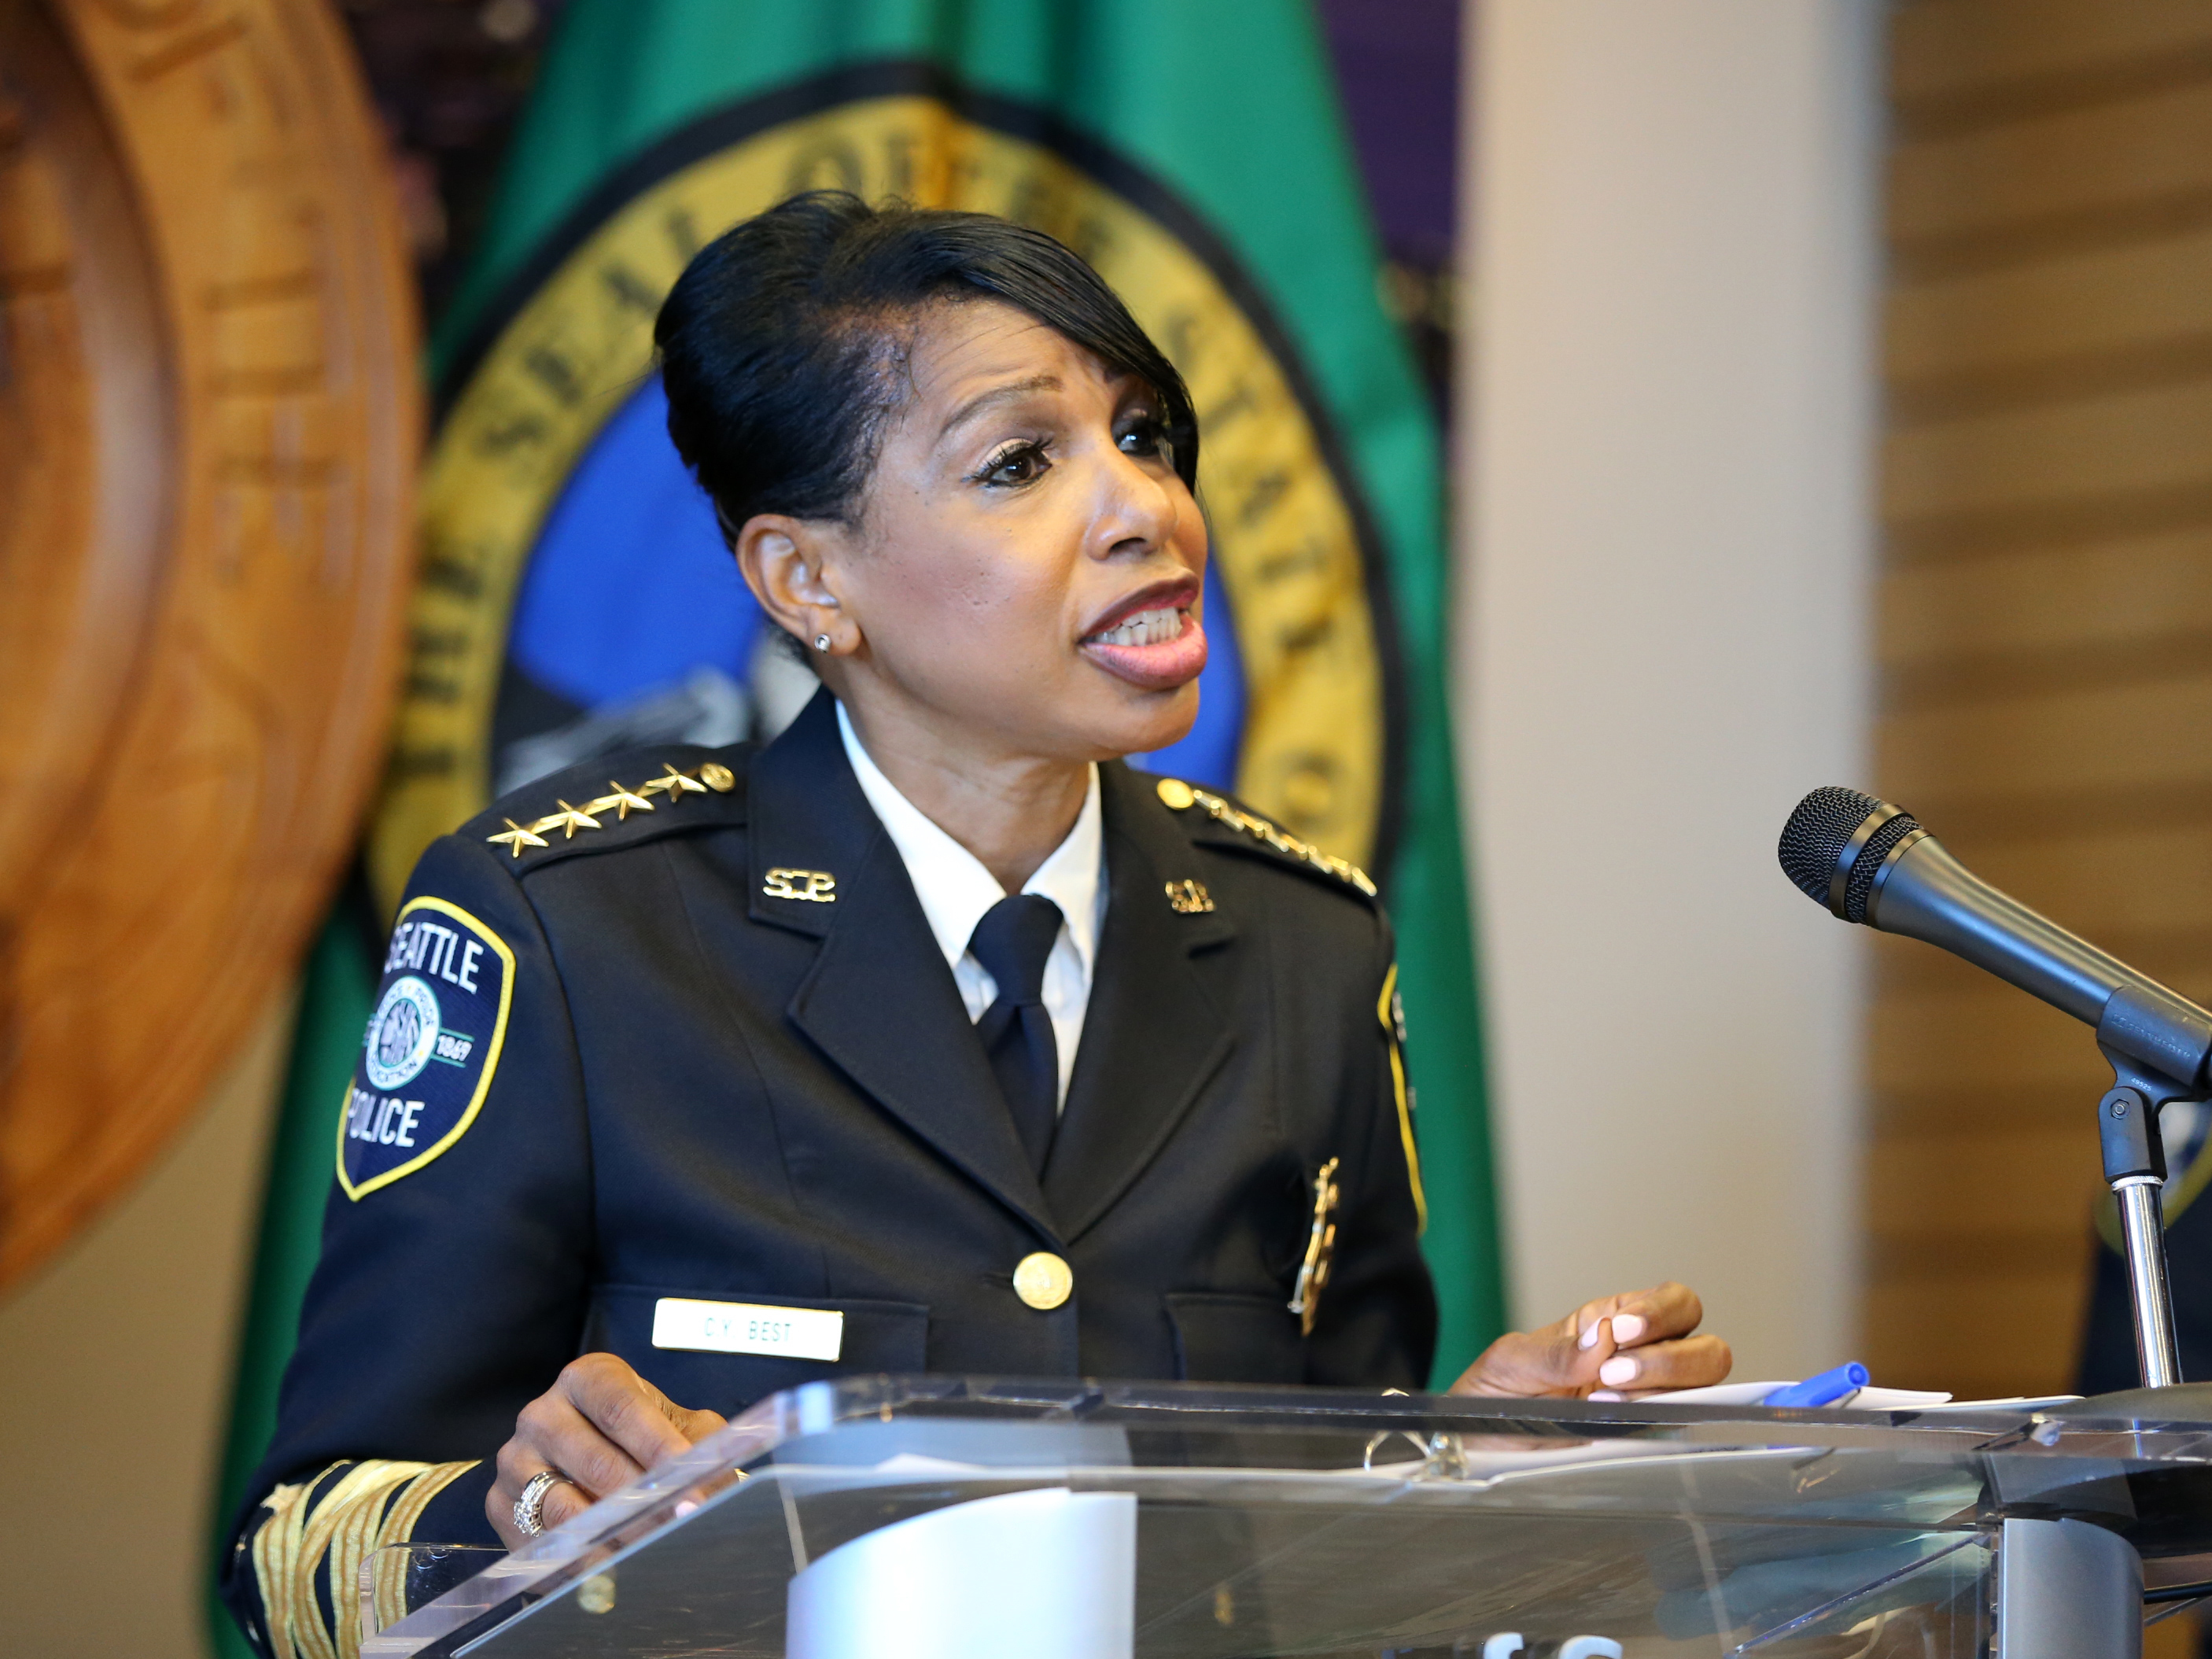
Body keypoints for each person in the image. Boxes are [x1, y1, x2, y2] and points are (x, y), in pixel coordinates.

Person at [220, 194, 1731, 1655]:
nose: (1143, 504)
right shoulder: (572, 930)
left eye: (1141, 435)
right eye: (1021, 462)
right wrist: (527, 1527)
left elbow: (1310, 1535)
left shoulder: (1302, 946)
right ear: (810, 579)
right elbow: (297, 1541)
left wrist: (1484, 1460)